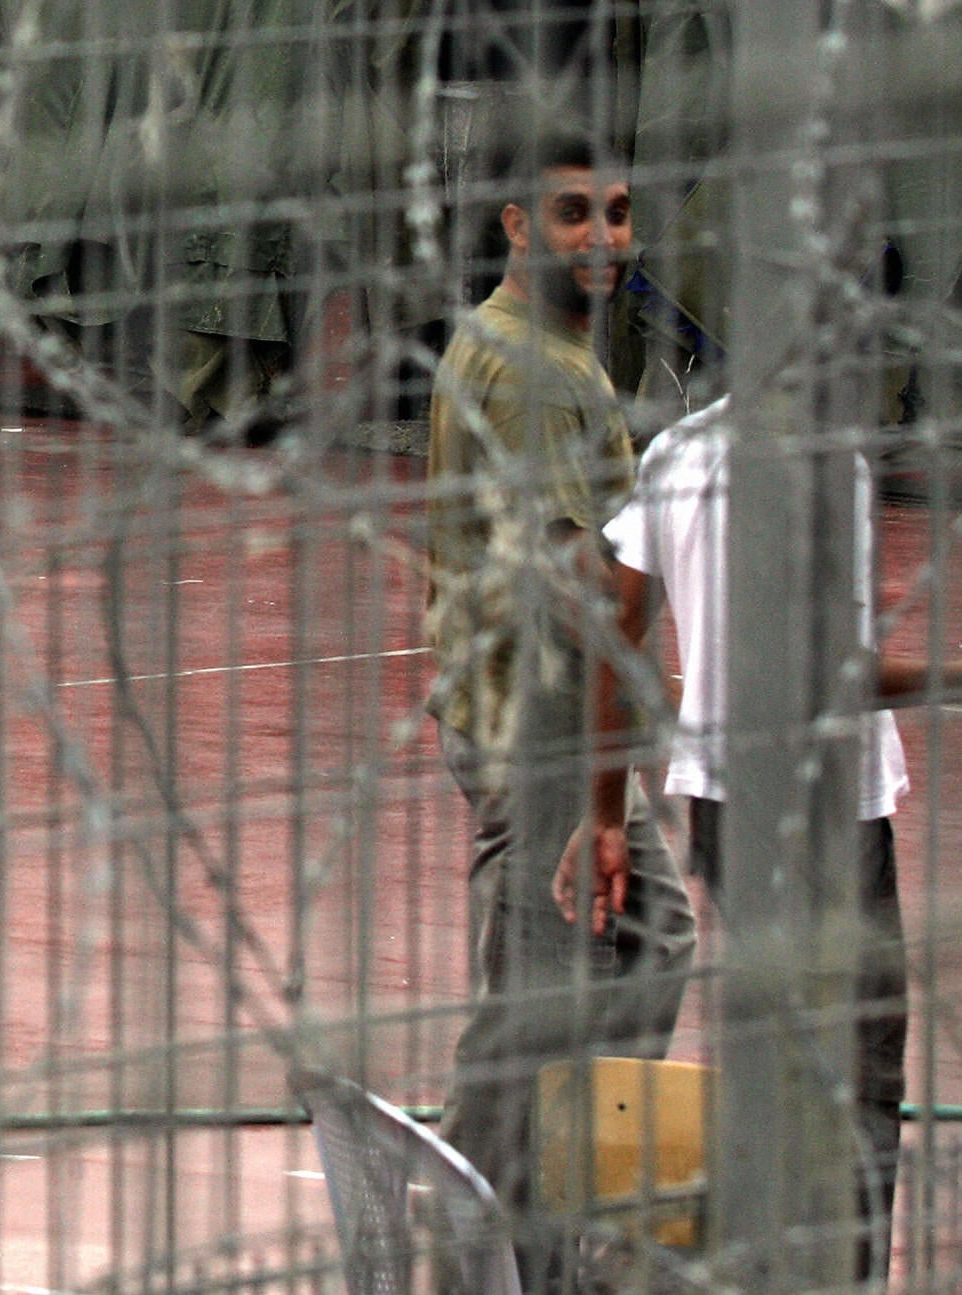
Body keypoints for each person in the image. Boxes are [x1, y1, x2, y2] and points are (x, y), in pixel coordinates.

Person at [564, 393, 962, 1283]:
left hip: (721, 805)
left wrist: (603, 810)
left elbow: (618, 632)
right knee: (857, 1069)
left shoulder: (681, 450)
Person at [421, 128, 694, 1282]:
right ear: (516, 226)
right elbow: (581, 581)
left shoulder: (537, 352)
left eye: (619, 212)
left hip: (541, 715)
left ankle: (540, 1197)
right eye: (573, 214)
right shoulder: (536, 372)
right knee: (552, 986)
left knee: (628, 948)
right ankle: (484, 1233)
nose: (604, 238)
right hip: (535, 726)